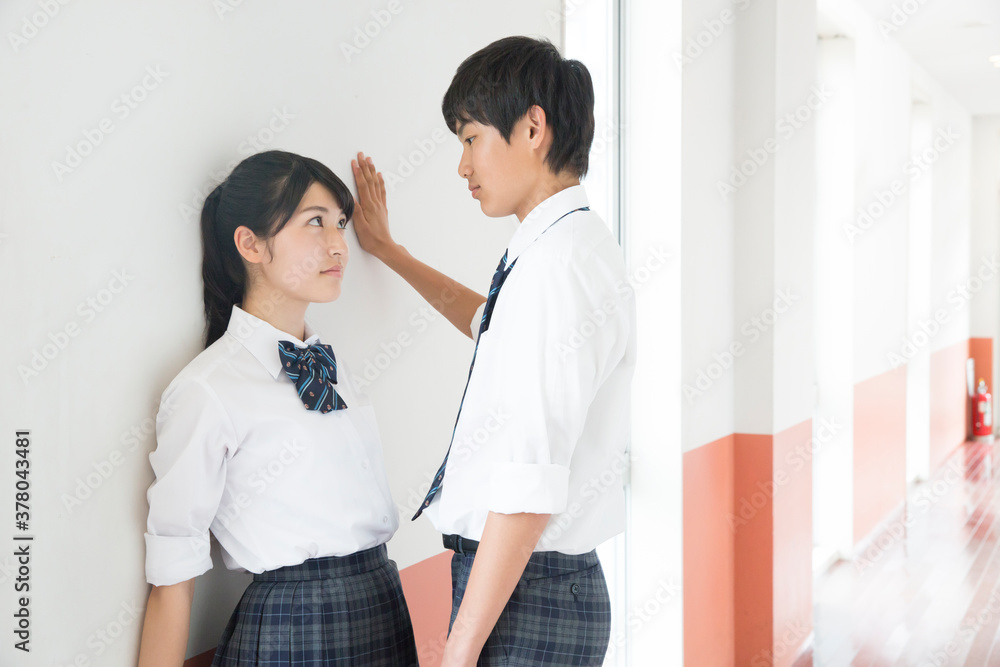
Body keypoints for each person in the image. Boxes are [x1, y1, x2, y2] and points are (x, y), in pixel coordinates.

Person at [350, 35, 636, 667]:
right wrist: (391, 252)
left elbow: (528, 485)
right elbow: (490, 321)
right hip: (536, 587)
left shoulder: (555, 270)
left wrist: (459, 650)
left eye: (471, 139)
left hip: (526, 595)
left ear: (532, 128)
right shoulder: (565, 248)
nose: (463, 167)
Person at [136, 150, 418, 667]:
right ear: (251, 244)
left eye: (340, 223)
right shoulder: (207, 390)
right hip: (294, 628)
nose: (339, 244)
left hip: (381, 604)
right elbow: (173, 571)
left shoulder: (329, 362)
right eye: (315, 222)